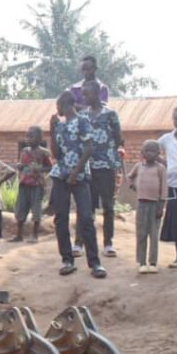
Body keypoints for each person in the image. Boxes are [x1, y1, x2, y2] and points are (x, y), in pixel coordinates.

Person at [49, 91, 105, 278]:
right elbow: (56, 155)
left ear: (65, 104)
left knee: (86, 218)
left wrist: (75, 173)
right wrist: (51, 131)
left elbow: (89, 148)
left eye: (58, 106)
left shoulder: (82, 121)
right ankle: (67, 259)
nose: (57, 110)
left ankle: (95, 263)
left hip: (79, 176)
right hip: (60, 175)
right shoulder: (60, 126)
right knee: (61, 218)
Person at [79, 80, 123, 257]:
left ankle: (108, 243)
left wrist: (108, 154)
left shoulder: (110, 114)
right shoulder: (82, 115)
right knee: (87, 207)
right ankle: (82, 242)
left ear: (97, 94)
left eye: (86, 93)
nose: (83, 97)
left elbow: (118, 137)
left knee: (108, 206)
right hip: (88, 167)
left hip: (105, 166)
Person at [128, 140, 167, 274]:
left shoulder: (160, 168)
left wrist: (161, 206)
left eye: (153, 151)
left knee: (154, 234)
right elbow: (130, 177)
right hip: (141, 204)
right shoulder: (139, 166)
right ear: (142, 153)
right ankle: (142, 262)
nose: (150, 154)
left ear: (158, 153)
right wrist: (132, 185)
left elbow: (163, 188)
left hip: (155, 205)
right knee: (141, 233)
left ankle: (153, 262)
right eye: (147, 151)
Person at [12, 126, 52, 243]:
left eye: (31, 136)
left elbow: (50, 167)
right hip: (24, 183)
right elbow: (21, 164)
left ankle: (35, 235)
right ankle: (19, 234)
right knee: (20, 209)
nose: (28, 139)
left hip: (36, 184)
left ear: (40, 139)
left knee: (36, 210)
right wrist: (19, 166)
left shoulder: (44, 153)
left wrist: (39, 170)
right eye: (27, 136)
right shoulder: (24, 151)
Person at [158, 105, 177, 269]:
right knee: (176, 222)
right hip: (173, 185)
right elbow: (149, 148)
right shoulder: (167, 139)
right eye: (176, 118)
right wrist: (164, 163)